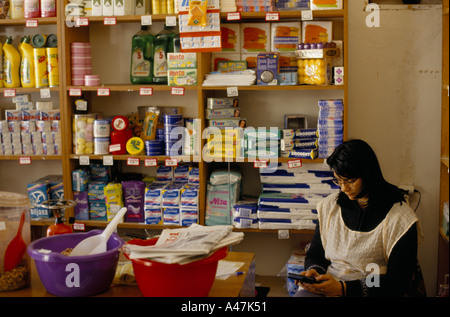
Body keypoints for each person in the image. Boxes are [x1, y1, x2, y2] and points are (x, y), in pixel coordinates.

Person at [294, 139, 423, 297]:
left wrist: (344, 289)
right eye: (338, 180)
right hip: (329, 285)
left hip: (373, 290)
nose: (343, 188)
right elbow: (316, 253)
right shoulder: (330, 207)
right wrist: (314, 272)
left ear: (367, 174)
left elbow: (398, 282)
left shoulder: (400, 219)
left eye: (350, 181)